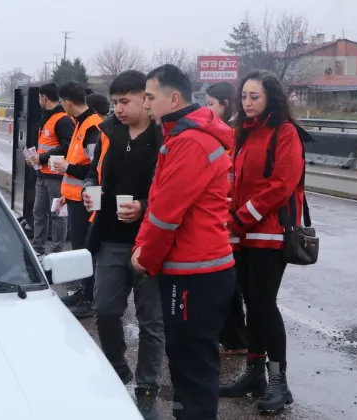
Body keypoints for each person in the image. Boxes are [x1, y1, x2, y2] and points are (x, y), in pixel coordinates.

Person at [131, 64, 235, 420]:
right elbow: (159, 204)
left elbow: (165, 215)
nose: (145, 104)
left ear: (173, 98)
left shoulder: (190, 142)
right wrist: (143, 249)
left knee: (193, 365)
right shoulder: (183, 137)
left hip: (195, 272)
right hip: (194, 268)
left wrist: (145, 258)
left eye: (149, 96)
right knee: (187, 360)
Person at [220, 70, 304, 415]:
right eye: (244, 97)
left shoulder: (285, 133)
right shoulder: (242, 133)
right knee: (251, 305)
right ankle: (255, 373)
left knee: (264, 305)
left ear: (270, 97)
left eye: (255, 96)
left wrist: (241, 217)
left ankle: (279, 380)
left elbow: (281, 185)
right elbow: (234, 180)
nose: (248, 103)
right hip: (242, 235)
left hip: (269, 233)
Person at [82, 70, 164, 420]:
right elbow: (91, 173)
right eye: (114, 102)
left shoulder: (164, 137)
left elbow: (173, 191)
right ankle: (118, 370)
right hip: (111, 239)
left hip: (150, 242)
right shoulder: (107, 133)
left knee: (151, 322)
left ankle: (147, 388)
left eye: (125, 101)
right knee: (105, 310)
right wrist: (89, 191)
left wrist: (144, 206)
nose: (117, 108)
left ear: (145, 100)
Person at [206, 81, 249, 356]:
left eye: (211, 104)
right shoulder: (221, 134)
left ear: (224, 104)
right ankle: (232, 337)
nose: (207, 110)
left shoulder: (234, 136)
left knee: (232, 284)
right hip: (225, 216)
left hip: (234, 218)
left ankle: (236, 339)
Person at [55, 81, 102, 319]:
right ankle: (84, 291)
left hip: (87, 201)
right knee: (81, 248)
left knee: (87, 250)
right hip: (76, 199)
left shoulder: (92, 127)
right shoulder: (80, 123)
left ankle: (90, 298)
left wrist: (68, 167)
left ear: (68, 103)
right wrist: (67, 195)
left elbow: (97, 169)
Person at [26, 83, 75, 257]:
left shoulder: (62, 119)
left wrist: (43, 157)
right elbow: (46, 145)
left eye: (40, 97)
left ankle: (56, 252)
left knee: (58, 215)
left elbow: (67, 146)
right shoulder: (46, 117)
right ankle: (38, 248)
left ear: (44, 97)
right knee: (38, 213)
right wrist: (35, 159)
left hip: (56, 177)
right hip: (42, 175)